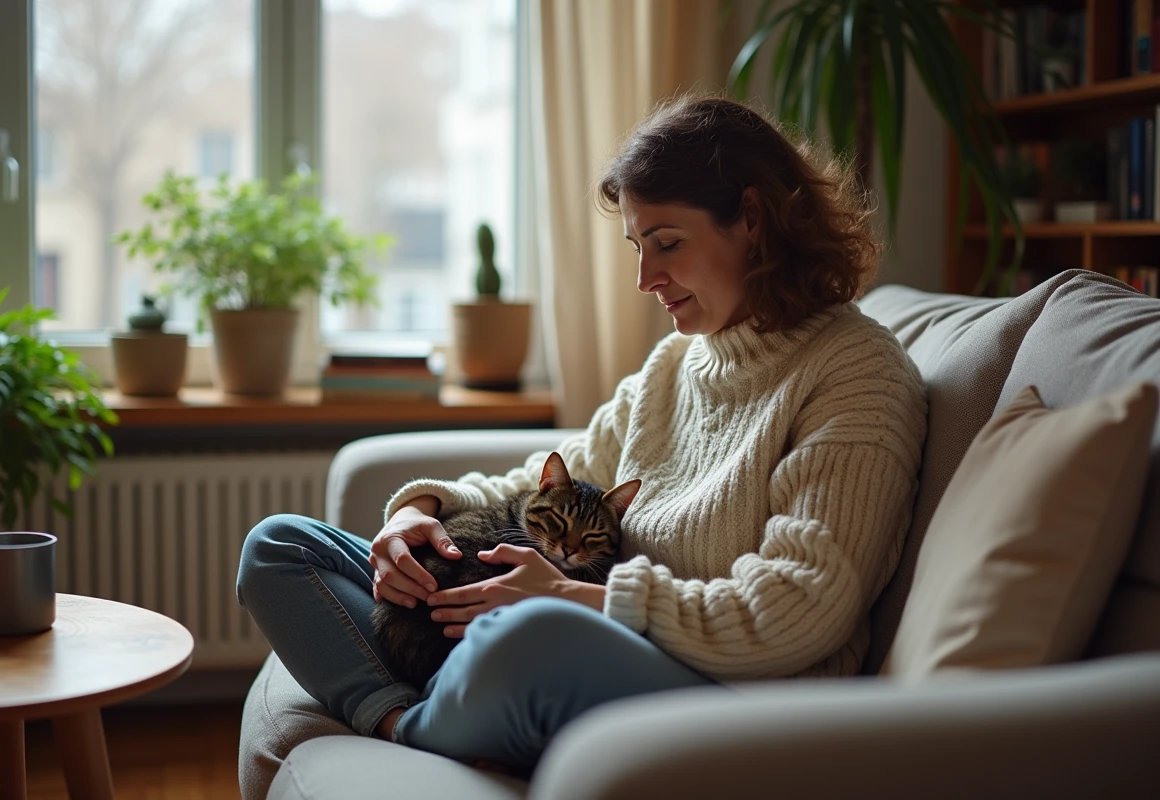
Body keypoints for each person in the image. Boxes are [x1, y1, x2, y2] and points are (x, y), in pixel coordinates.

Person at [236, 95, 928, 775]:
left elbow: (799, 610)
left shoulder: (855, 370)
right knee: (279, 547)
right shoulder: (677, 363)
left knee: (528, 634)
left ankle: (433, 713)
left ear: (751, 218)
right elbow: (548, 478)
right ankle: (403, 719)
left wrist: (577, 598)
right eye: (636, 246)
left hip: (726, 696)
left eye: (667, 244)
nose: (643, 278)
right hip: (590, 637)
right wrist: (423, 514)